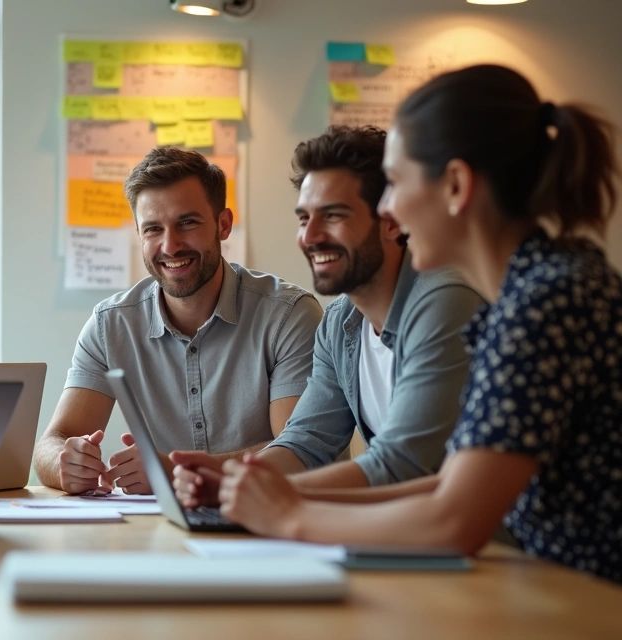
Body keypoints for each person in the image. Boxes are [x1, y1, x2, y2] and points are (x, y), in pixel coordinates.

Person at [217, 64, 622, 585]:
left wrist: (290, 516)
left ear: (455, 185)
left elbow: (454, 521)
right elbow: (448, 488)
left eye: (397, 183)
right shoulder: (539, 288)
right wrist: (273, 495)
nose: (390, 209)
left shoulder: (544, 301)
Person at [172, 126, 483, 507]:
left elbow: (402, 465)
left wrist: (248, 491)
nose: (311, 236)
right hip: (406, 543)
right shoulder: (340, 323)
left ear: (392, 220)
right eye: (304, 218)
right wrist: (235, 477)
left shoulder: (444, 303)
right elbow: (304, 443)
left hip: (493, 554)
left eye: (333, 215)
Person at [32, 147, 324, 495]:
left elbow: (299, 454)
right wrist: (66, 463)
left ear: (223, 224)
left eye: (187, 223)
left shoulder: (288, 316)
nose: (170, 246)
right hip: (164, 532)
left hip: (269, 527)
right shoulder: (110, 325)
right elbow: (52, 444)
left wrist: (177, 471)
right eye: (153, 229)